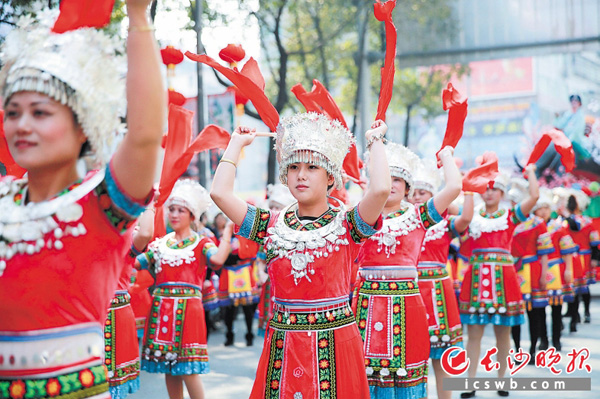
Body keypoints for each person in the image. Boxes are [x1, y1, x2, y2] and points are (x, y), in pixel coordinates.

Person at [0, 2, 164, 398]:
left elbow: (144, 136)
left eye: (40, 113)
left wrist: (139, 19)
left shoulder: (102, 204)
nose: (22, 125)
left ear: (80, 129)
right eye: (12, 112)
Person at [211, 113, 391, 398]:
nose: (301, 175)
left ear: (330, 176)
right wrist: (236, 144)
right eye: (293, 166)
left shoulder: (346, 224)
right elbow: (220, 193)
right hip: (284, 344)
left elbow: (381, 189)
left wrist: (376, 141)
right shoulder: (270, 225)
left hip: (335, 343)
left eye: (311, 167)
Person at [354, 145, 462, 399]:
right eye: (386, 177)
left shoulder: (418, 215)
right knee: (367, 372)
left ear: (407, 186)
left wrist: (446, 156)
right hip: (367, 304)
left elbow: (454, 188)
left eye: (397, 179)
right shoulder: (361, 216)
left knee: (408, 371)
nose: (391, 184)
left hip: (408, 305)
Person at [136, 180, 232, 399]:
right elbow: (134, 261)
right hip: (162, 311)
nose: (175, 214)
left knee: (188, 369)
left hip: (189, 311)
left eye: (181, 210)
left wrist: (227, 231)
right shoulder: (160, 244)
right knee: (169, 368)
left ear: (192, 215)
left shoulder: (201, 242)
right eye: (171, 209)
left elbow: (217, 259)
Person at [458, 165, 539, 398]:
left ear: (502, 193)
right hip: (475, 277)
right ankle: (469, 381)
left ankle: (503, 380)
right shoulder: (471, 215)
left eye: (494, 189)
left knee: (503, 332)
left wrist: (531, 171)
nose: (489, 193)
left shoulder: (510, 215)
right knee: (473, 332)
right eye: (486, 189)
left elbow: (534, 196)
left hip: (504, 280)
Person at [410, 159, 473, 399]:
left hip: (438, 291)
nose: (417, 197)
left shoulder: (444, 224)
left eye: (423, 192)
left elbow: (466, 218)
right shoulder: (403, 223)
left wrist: (469, 191)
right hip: (411, 289)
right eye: (413, 193)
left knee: (441, 354)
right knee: (415, 358)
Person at [508, 179, 553, 362]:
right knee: (515, 314)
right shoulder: (507, 221)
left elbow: (544, 252)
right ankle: (517, 349)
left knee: (536, 312)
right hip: (513, 271)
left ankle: (535, 348)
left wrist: (544, 274)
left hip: (533, 271)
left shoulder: (537, 223)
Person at [534, 189, 577, 351]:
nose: (543, 211)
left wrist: (568, 270)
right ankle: (543, 338)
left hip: (556, 270)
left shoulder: (558, 228)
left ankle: (556, 339)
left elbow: (567, 250)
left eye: (546, 208)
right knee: (539, 308)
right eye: (540, 208)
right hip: (538, 270)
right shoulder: (533, 228)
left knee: (556, 307)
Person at [563, 189, 599, 328]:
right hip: (570, 256)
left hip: (583, 257)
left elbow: (594, 242)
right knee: (572, 286)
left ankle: (586, 311)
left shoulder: (585, 221)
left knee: (583, 287)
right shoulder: (563, 221)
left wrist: (595, 257)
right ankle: (573, 313)